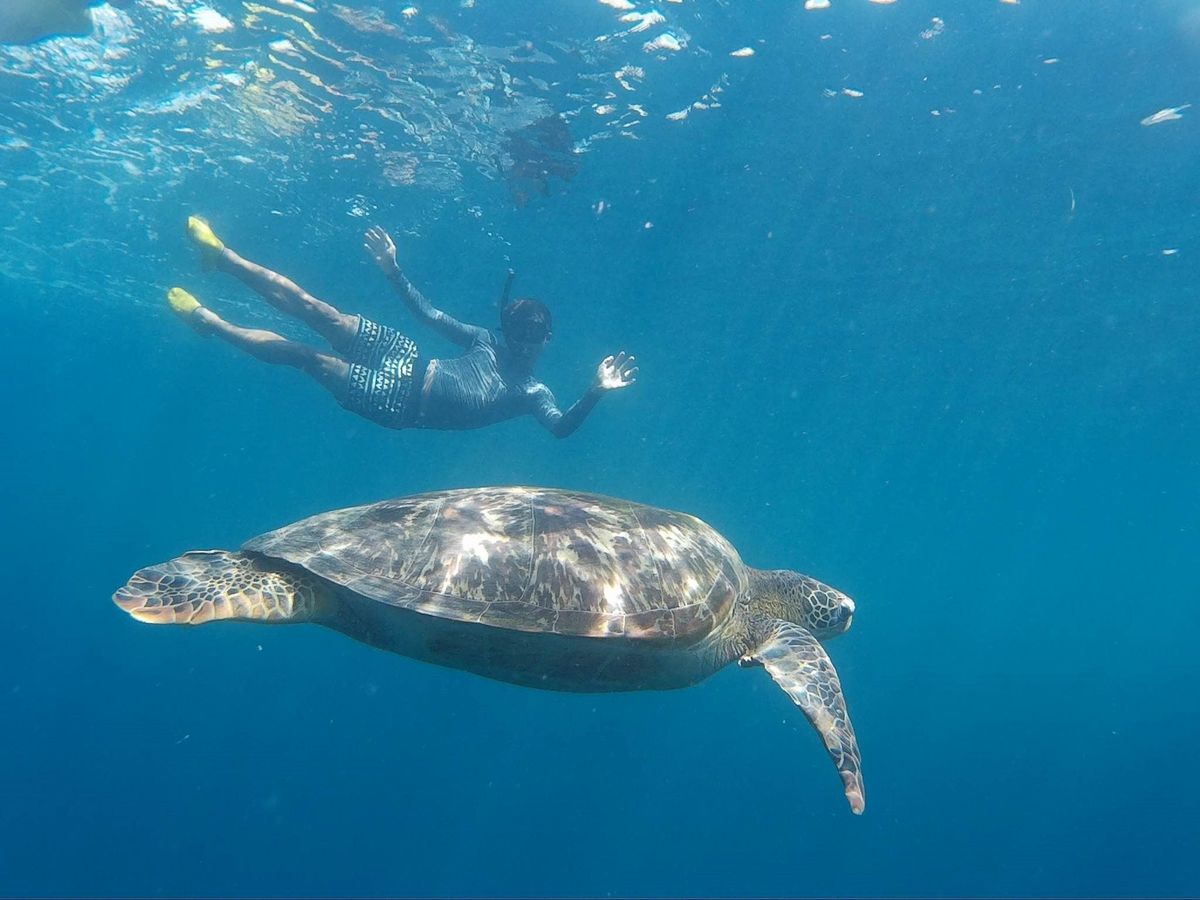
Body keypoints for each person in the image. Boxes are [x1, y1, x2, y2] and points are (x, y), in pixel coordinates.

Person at [168, 218, 637, 437]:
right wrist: (394, 270)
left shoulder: (533, 392)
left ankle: (209, 323)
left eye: (533, 337)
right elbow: (429, 315)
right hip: (407, 357)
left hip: (400, 403)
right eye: (518, 332)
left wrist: (594, 390)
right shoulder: (486, 341)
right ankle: (224, 258)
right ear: (507, 329)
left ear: (547, 339)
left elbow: (560, 429)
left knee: (304, 355)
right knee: (318, 310)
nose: (525, 344)